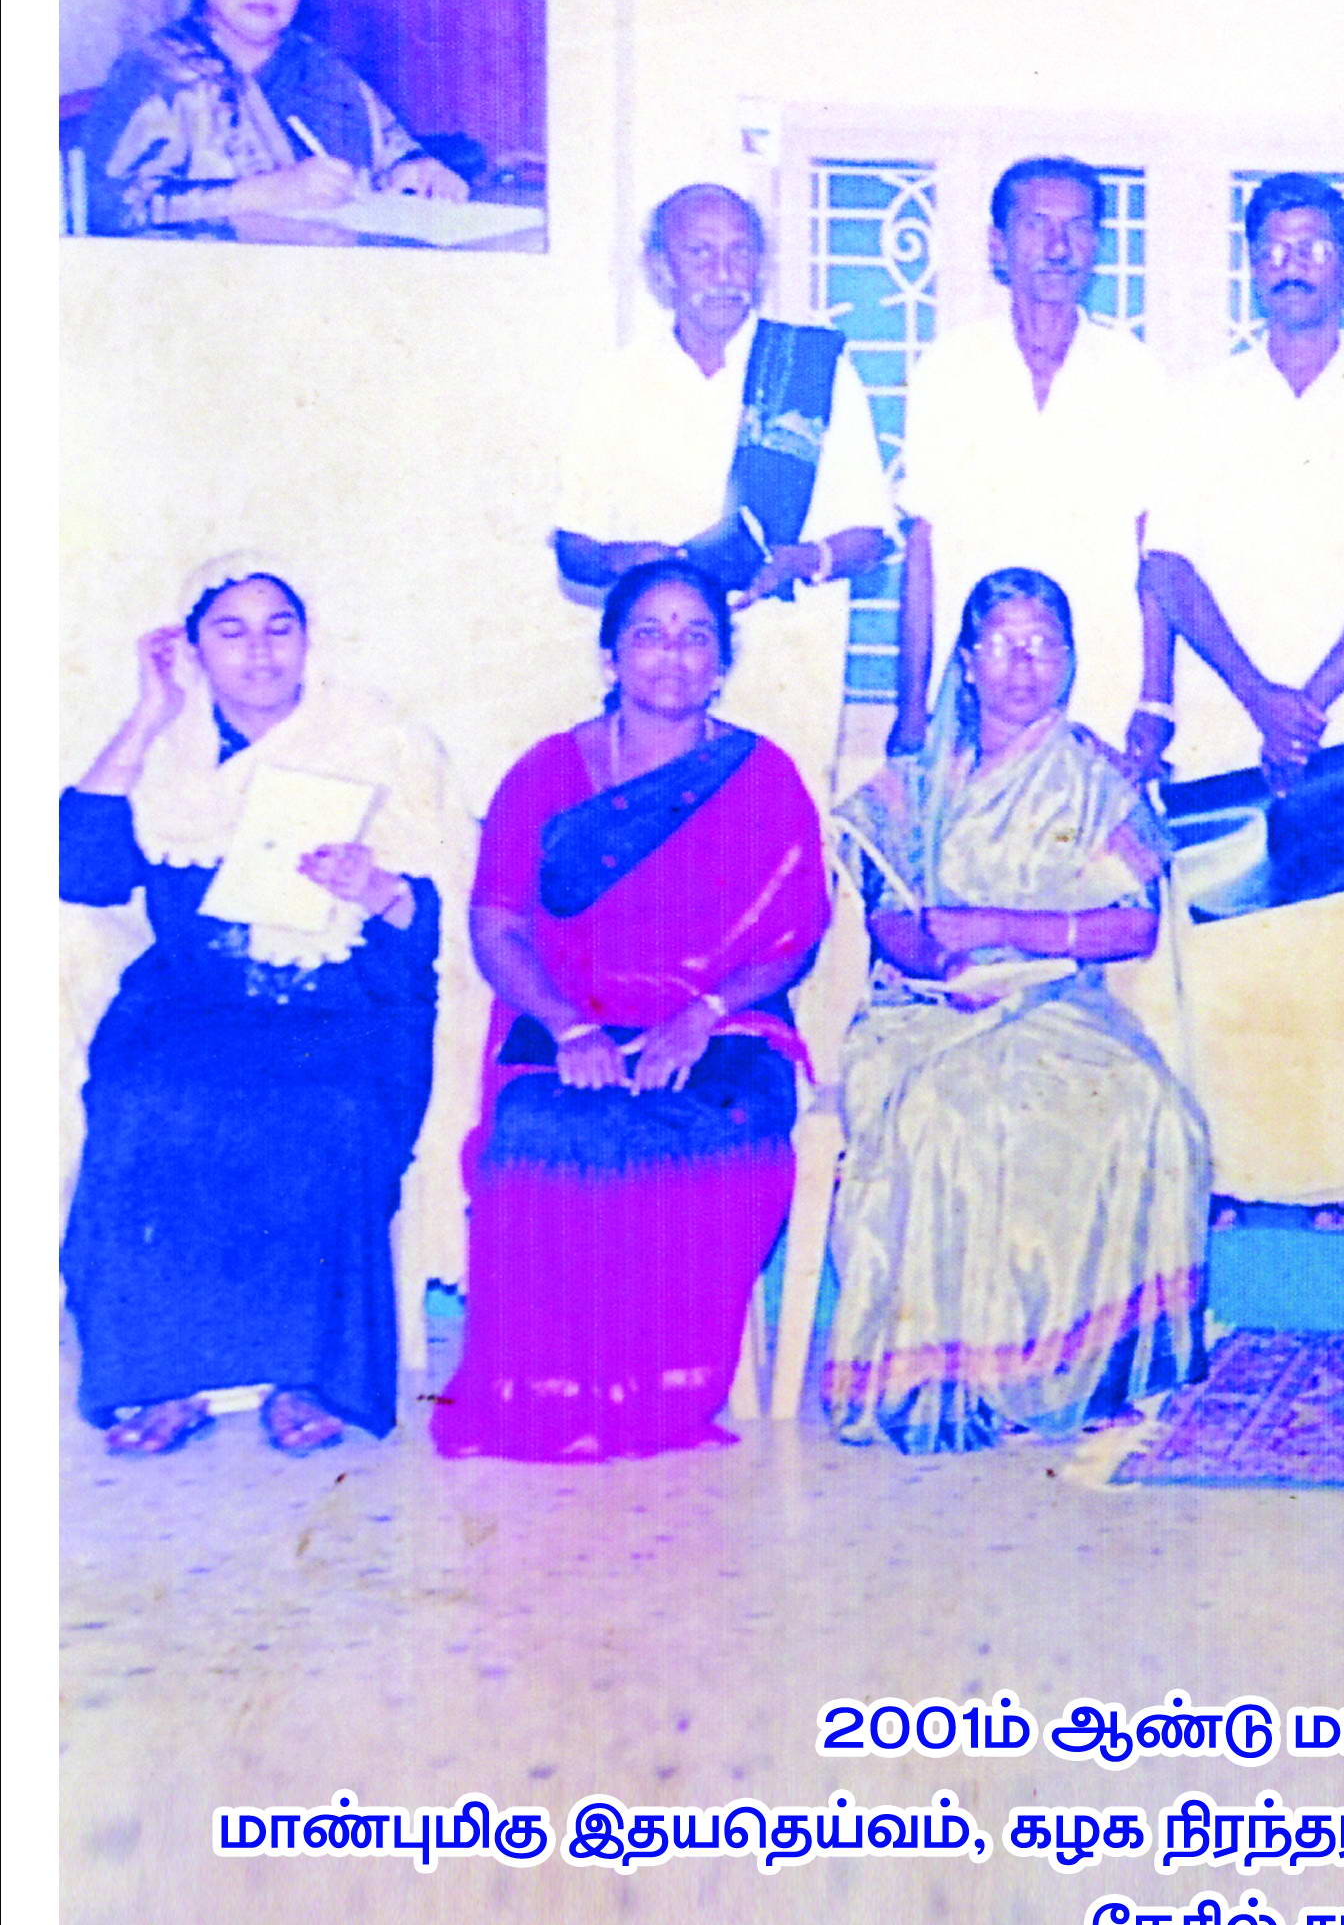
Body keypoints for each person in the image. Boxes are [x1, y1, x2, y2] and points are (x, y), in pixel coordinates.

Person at [59, 557, 465, 1457]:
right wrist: (145, 715)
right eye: (230, 631)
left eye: (279, 627)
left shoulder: (380, 742)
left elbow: (425, 925)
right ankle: (169, 1380)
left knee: (326, 1113)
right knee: (143, 1109)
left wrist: (378, 887)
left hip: (340, 1010)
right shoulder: (166, 756)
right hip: (193, 1009)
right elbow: (77, 871)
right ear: (193, 648)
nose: (259, 653)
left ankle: (307, 1377)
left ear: (308, 640)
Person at [438, 561, 831, 1462]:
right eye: (649, 633)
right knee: (544, 1126)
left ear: (723, 664)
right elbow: (496, 925)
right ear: (610, 656)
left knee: (706, 1127)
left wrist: (700, 1014)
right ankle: (546, 1396)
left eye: (697, 634)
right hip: (567, 1017)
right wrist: (571, 1025)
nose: (673, 655)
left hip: (721, 1023)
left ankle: (662, 1401)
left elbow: (795, 937)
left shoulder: (762, 776)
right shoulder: (544, 772)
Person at [817, 570, 1212, 1453]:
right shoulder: (913, 783)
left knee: (1148, 1108)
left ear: (1069, 661)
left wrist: (1003, 930)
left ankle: (1097, 1370)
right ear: (965, 662)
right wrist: (946, 960)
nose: (1023, 666)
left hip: (1055, 1003)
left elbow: (1134, 926)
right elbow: (887, 915)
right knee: (949, 1118)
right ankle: (955, 1375)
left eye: (1043, 645)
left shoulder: (1094, 778)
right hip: (925, 1009)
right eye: (1002, 644)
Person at [1145, 176, 1344, 1230]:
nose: (1293, 261)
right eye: (1274, 244)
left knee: (1339, 947)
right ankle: (1228, 1169)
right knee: (1234, 947)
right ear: (1253, 264)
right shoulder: (1199, 404)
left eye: (1315, 244)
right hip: (1233, 709)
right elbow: (1168, 563)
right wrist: (1255, 693)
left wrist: (1308, 699)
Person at [549, 185, 898, 807]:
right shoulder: (616, 383)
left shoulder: (813, 371)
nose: (724, 273)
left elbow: (871, 536)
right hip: (661, 667)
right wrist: (624, 561)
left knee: (774, 845)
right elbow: (573, 548)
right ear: (661, 268)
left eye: (740, 253)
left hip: (788, 664)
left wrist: (804, 560)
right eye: (700, 254)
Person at [890, 157, 1176, 758]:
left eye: (1076, 227)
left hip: (1103, 688)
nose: (1057, 246)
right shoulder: (949, 368)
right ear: (998, 245)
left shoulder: (1135, 373)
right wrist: (910, 706)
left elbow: (1155, 549)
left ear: (1095, 244)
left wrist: (1154, 698)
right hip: (970, 692)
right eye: (1036, 225)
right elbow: (923, 549)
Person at [79, 0, 470, 238]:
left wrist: (420, 170)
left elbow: (391, 153)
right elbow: (112, 210)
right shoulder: (156, 72)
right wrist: (267, 191)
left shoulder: (321, 67)